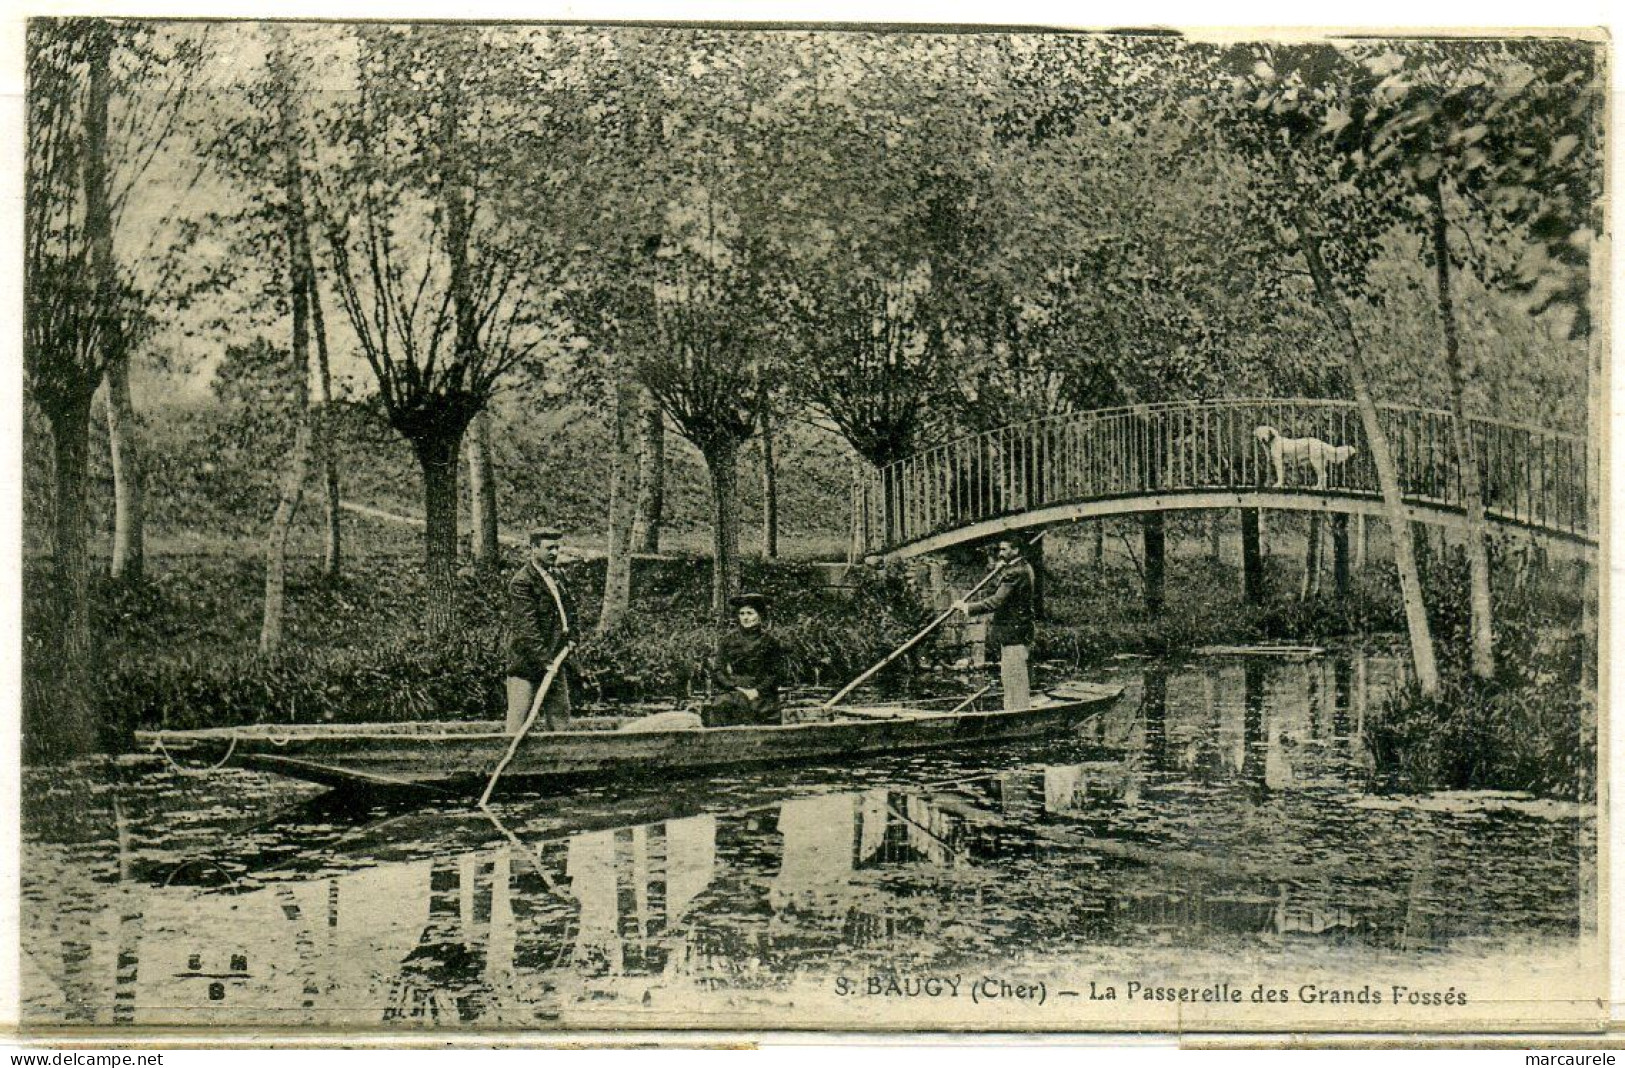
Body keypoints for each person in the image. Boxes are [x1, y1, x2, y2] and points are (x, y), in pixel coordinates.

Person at [504, 527, 576, 733]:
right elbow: (527, 629)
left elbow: (570, 613)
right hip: (527, 665)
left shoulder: (557, 577)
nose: (554, 553)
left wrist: (572, 638)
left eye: (557, 548)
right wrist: (545, 662)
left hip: (555, 659)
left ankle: (561, 762)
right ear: (534, 549)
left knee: (560, 719)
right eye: (548, 548)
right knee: (518, 723)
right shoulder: (522, 582)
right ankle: (511, 763)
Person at [953, 536, 1036, 710]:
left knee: (1014, 680)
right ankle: (1015, 712)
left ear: (1016, 551)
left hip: (1013, 634)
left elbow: (996, 601)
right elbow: (999, 591)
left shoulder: (1016, 572)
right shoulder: (1022, 567)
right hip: (1017, 633)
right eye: (1000, 549)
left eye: (1004, 549)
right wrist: (1001, 571)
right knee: (1012, 679)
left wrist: (967, 607)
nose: (1000, 553)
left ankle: (1018, 716)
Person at [703, 592, 787, 728]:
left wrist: (757, 691)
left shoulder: (770, 642)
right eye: (742, 614)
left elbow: (775, 673)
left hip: (761, 695)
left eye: (750, 613)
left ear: (760, 616)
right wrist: (735, 687)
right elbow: (718, 670)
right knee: (722, 705)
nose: (745, 618)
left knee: (759, 712)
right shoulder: (728, 640)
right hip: (734, 690)